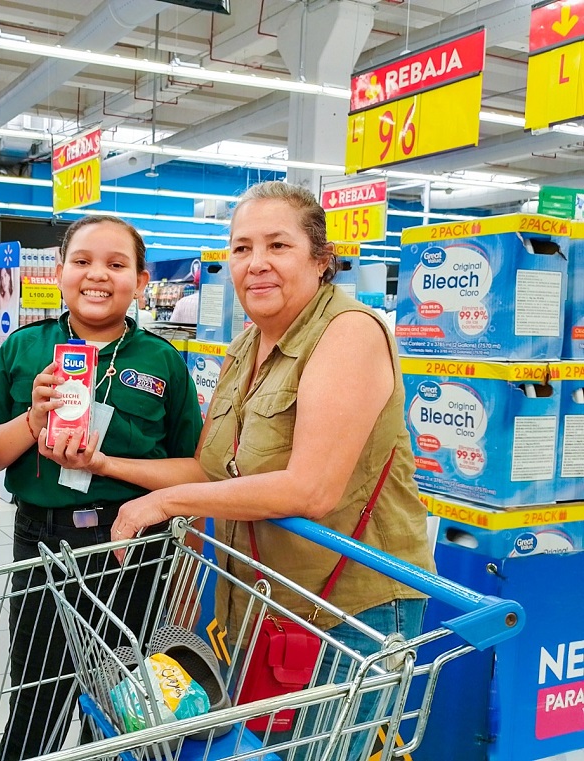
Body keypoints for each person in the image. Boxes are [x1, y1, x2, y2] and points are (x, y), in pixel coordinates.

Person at [107, 181, 434, 760]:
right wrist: (105, 464)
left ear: (320, 258)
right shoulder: (245, 348)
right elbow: (214, 473)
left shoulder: (350, 334)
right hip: (265, 603)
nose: (255, 264)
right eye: (241, 248)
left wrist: (165, 505)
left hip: (348, 612)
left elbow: (312, 488)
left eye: (277, 246)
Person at [0, 214, 203, 760]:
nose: (98, 275)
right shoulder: (24, 350)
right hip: (42, 540)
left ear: (141, 282)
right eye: (82, 261)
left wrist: (107, 464)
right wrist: (31, 419)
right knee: (37, 693)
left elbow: (195, 471)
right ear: (58, 272)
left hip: (132, 547)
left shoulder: (163, 361)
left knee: (119, 697)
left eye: (117, 264)